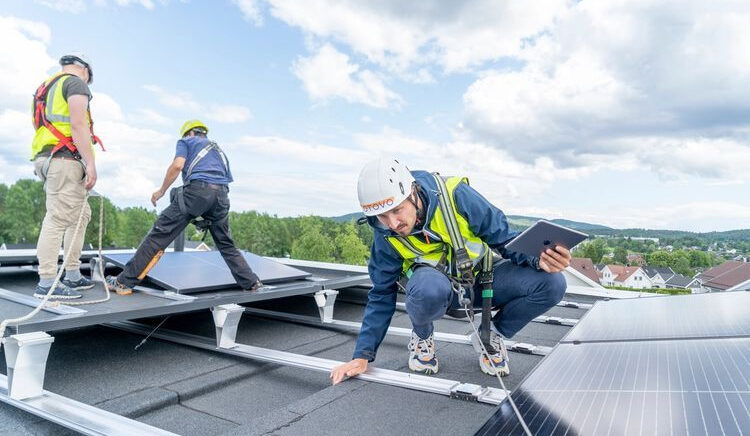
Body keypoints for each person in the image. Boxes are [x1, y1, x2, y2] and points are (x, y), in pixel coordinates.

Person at [331, 158, 570, 384]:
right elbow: (382, 292)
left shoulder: (456, 195)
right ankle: (422, 337)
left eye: (397, 210)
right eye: (382, 216)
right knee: (427, 288)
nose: (393, 224)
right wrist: (362, 354)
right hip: (435, 292)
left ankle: (490, 335)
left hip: (483, 282)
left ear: (413, 193)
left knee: (553, 283)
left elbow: (504, 239)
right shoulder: (385, 234)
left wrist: (540, 260)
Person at [105, 120, 262, 294]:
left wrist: (161, 191)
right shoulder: (218, 150)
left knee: (158, 235)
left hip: (197, 192)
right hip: (222, 196)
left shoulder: (186, 142)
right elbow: (222, 180)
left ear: (190, 133)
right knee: (226, 244)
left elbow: (178, 165)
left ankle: (123, 283)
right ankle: (252, 283)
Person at [32, 53, 102, 300]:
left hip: (51, 157)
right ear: (84, 70)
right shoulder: (75, 83)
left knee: (80, 214)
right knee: (59, 217)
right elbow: (78, 124)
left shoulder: (46, 87)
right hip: (64, 159)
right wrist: (90, 164)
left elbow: (40, 125)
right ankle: (47, 281)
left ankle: (72, 273)